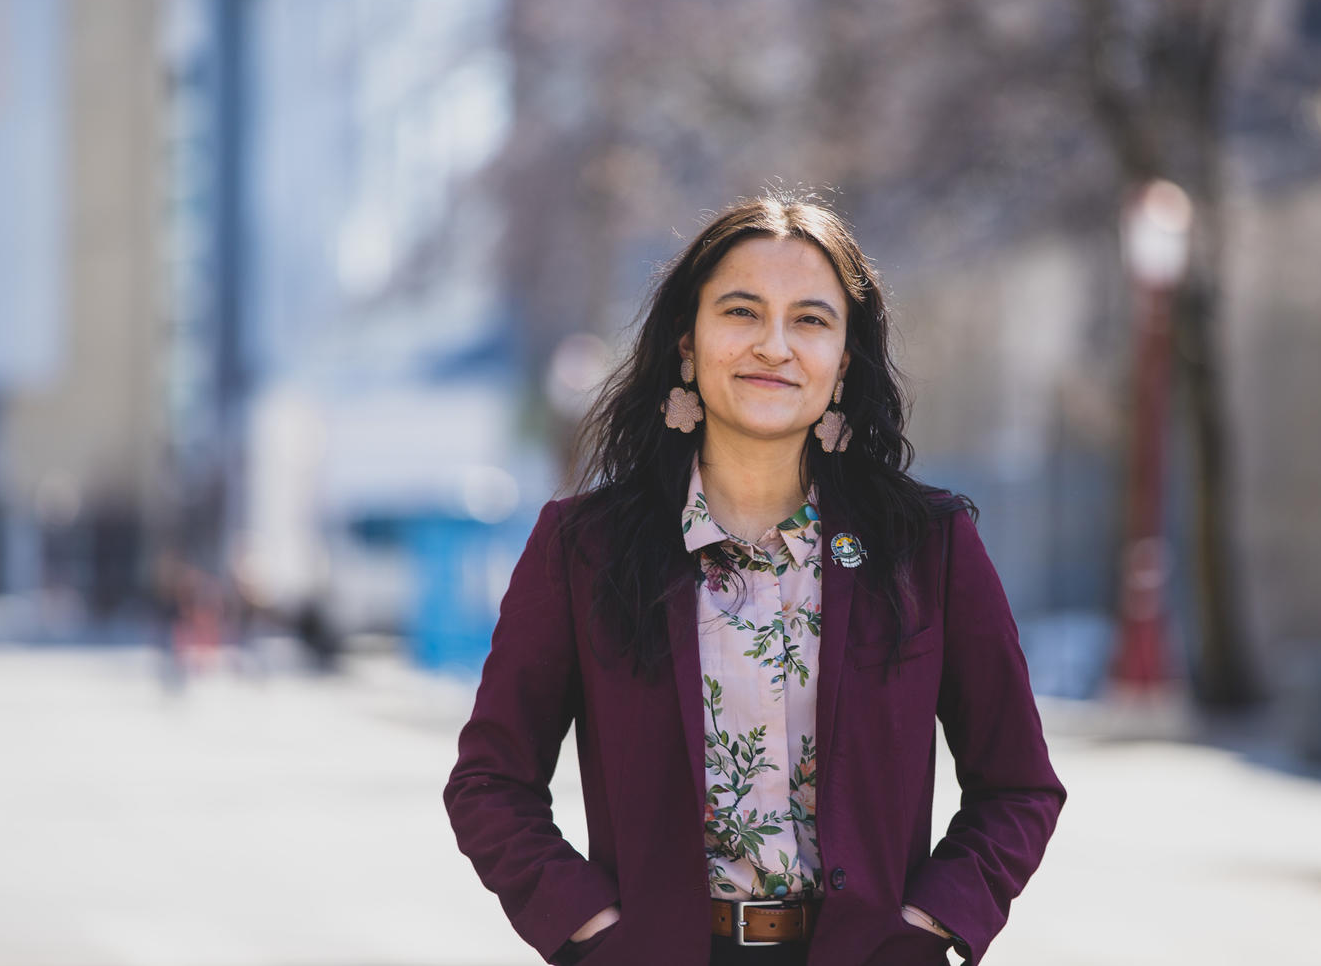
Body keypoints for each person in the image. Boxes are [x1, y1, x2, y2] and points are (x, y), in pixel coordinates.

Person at [444, 192, 1066, 965]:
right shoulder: (583, 548)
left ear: (843, 363)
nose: (774, 345)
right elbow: (490, 786)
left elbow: (1018, 787)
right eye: (741, 312)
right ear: (687, 343)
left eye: (810, 320)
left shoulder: (925, 545)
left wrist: (927, 932)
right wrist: (591, 934)